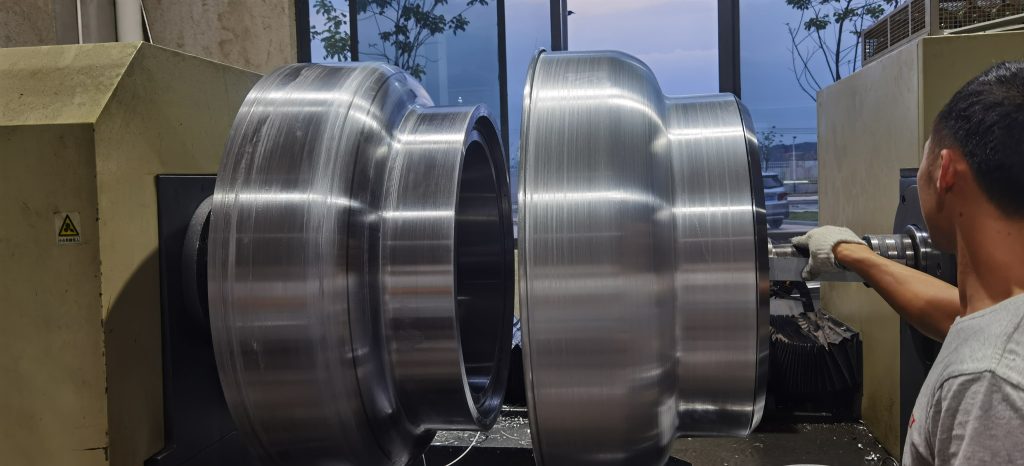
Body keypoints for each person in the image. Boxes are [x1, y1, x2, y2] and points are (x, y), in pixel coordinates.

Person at [794, 61, 1024, 465]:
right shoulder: (1004, 321)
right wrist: (850, 252)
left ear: (945, 171)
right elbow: (956, 315)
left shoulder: (989, 383)